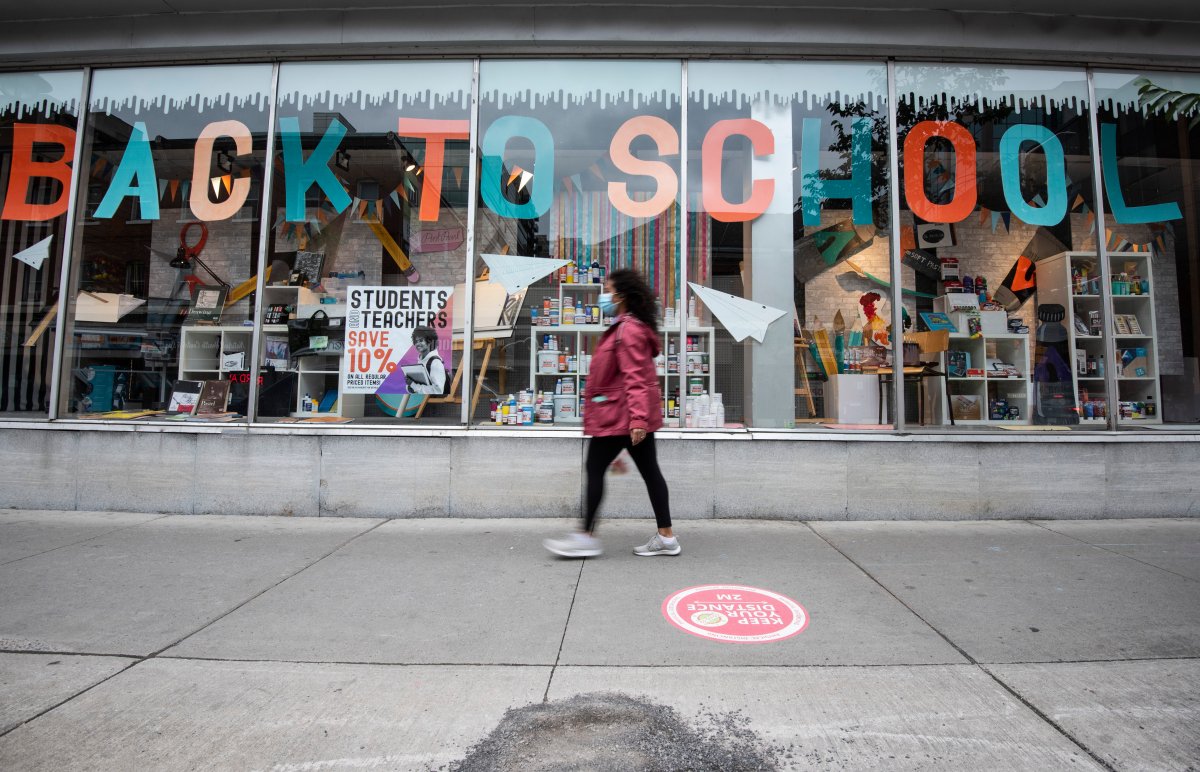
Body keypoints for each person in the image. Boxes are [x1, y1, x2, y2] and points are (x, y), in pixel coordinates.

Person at [544, 268, 679, 559]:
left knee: (595, 469)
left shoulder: (627, 331)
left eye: (607, 289)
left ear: (620, 295)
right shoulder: (625, 327)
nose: (603, 295)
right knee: (650, 472)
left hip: (621, 417)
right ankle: (666, 538)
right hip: (626, 416)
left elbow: (637, 378)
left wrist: (638, 420)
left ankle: (586, 537)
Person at [406, 326, 447, 395]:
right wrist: (410, 387)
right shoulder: (421, 360)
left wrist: (413, 385)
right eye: (416, 341)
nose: (418, 344)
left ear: (429, 341)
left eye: (421, 340)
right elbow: (419, 386)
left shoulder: (435, 362)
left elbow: (438, 391)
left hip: (433, 402)